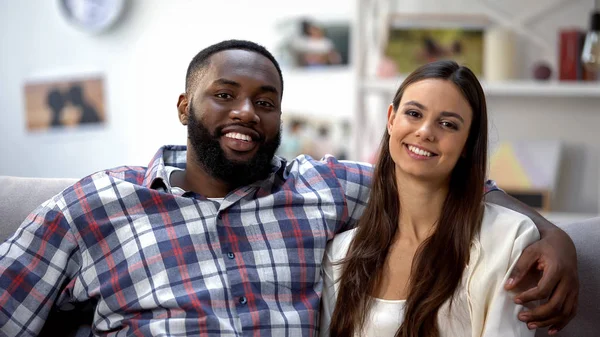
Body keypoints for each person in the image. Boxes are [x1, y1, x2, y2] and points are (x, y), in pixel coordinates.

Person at [0, 40, 577, 336]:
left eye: (266, 102)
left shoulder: (322, 188)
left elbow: (448, 179)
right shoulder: (95, 205)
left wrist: (554, 236)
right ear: (184, 107)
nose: (246, 113)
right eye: (224, 94)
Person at [319, 60, 564, 337]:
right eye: (413, 113)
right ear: (391, 119)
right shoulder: (341, 253)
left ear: (467, 145)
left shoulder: (510, 239)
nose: (425, 131)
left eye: (448, 124)